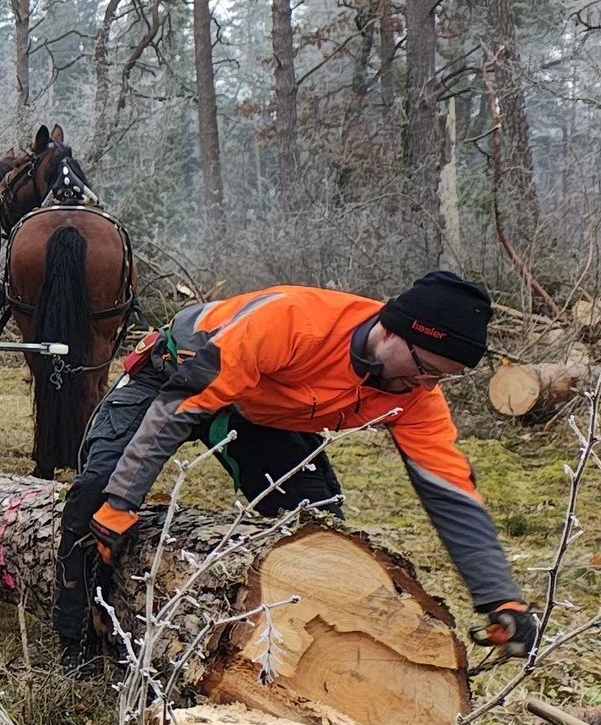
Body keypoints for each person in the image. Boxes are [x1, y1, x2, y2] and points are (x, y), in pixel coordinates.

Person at [57, 271, 540, 669]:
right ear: (393, 330)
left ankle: (303, 660)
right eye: (425, 368)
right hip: (174, 375)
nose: (427, 384)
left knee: (318, 529)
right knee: (97, 493)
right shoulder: (294, 322)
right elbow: (185, 402)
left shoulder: (415, 395)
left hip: (259, 412)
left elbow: (452, 492)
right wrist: (121, 501)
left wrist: (501, 598)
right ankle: (76, 646)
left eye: (441, 378)